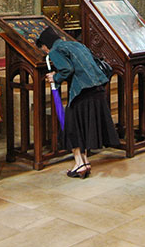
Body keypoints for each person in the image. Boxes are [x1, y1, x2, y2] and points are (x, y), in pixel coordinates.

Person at [36, 27, 120, 178]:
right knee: (81, 127)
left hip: (82, 91)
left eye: (43, 49)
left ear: (46, 44)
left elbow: (67, 69)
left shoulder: (55, 50)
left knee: (71, 127)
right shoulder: (76, 44)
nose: (46, 52)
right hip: (97, 89)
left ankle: (79, 163)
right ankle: (84, 162)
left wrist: (55, 77)